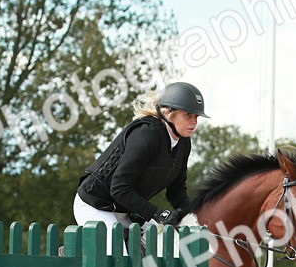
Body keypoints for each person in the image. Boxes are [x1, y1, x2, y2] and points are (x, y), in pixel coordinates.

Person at [73, 82, 206, 229]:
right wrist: (157, 214)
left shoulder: (183, 143)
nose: (194, 122)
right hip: (95, 204)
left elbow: (177, 191)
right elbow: (119, 188)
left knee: (166, 244)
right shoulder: (147, 134)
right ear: (168, 113)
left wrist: (193, 214)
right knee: (120, 252)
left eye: (196, 117)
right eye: (188, 115)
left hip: (126, 209)